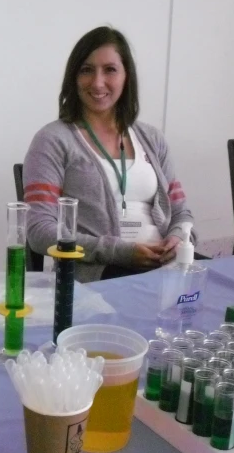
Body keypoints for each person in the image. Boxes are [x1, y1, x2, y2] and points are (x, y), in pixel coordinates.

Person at [23, 26, 195, 282]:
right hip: (101, 274)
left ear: (127, 77)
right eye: (86, 70)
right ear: (74, 77)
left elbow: (182, 212)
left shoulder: (152, 139)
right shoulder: (53, 140)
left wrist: (178, 238)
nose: (98, 82)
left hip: (166, 267)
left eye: (110, 70)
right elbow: (39, 232)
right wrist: (119, 252)